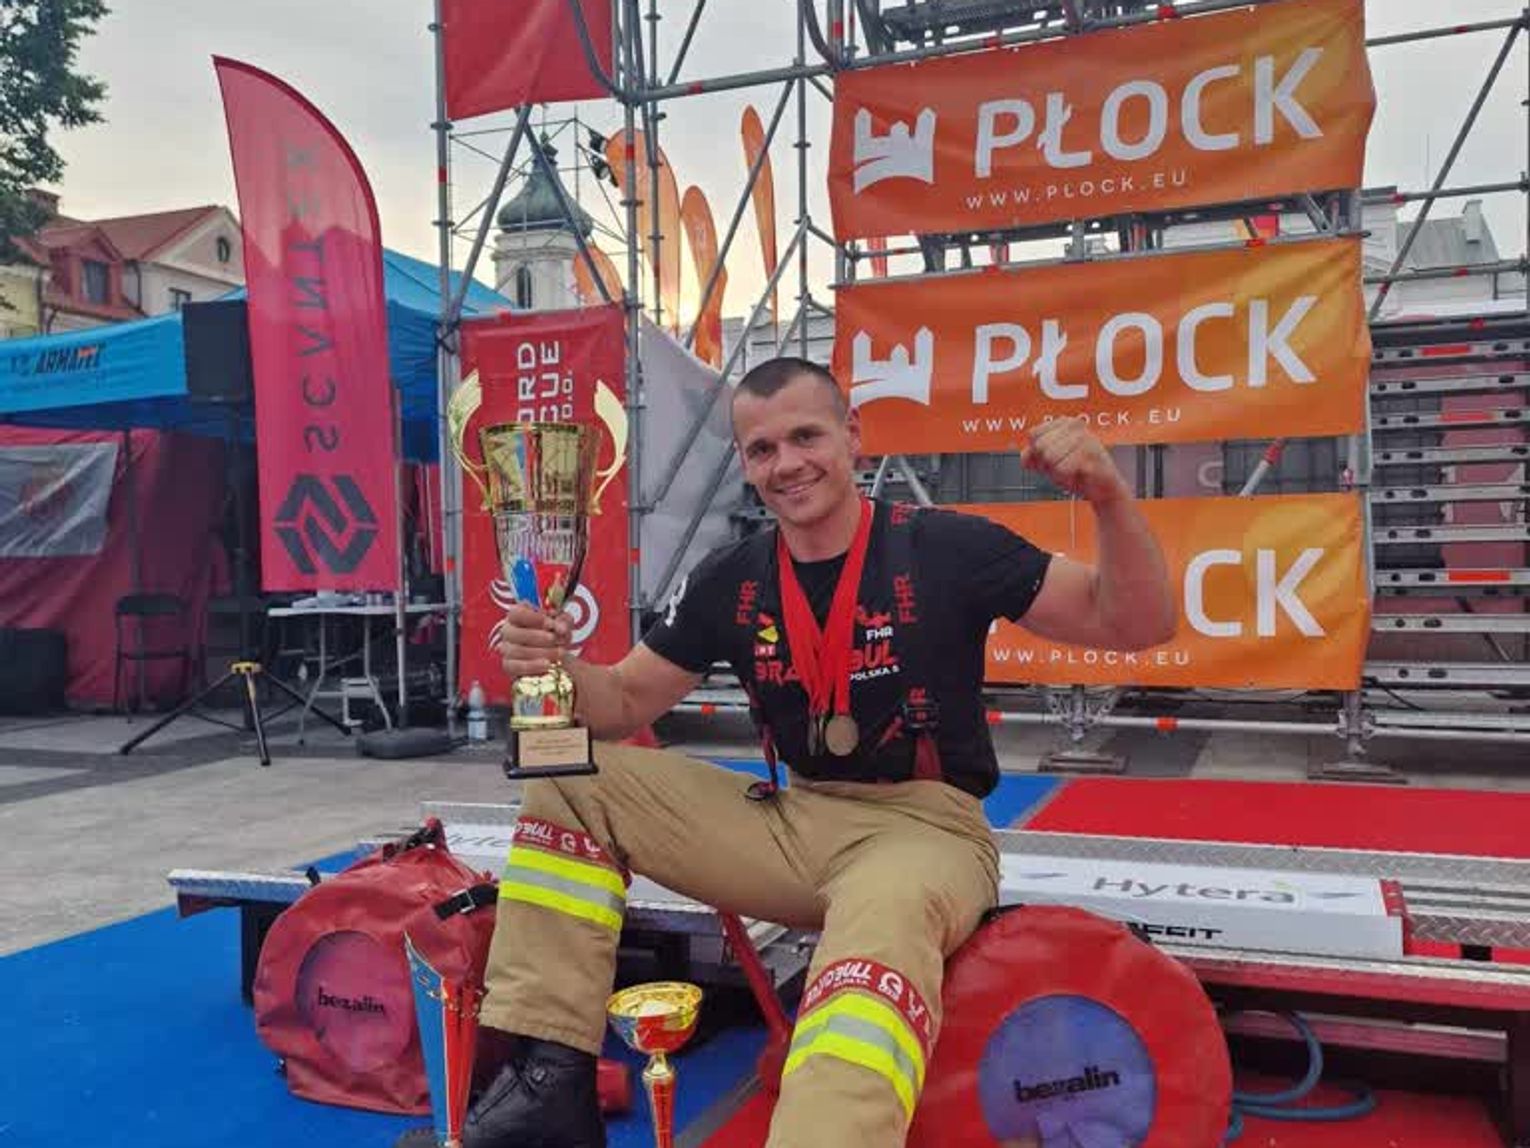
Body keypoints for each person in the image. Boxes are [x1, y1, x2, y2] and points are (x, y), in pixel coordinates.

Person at [462, 358, 1175, 1148]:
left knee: (879, 927)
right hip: (796, 822)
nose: (787, 464)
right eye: (763, 449)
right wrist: (551, 666)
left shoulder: (946, 546)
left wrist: (1109, 497)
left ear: (852, 437)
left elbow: (1134, 623)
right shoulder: (731, 579)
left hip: (926, 832)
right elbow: (624, 702)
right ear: (745, 465)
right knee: (568, 778)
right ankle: (550, 1084)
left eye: (806, 436)